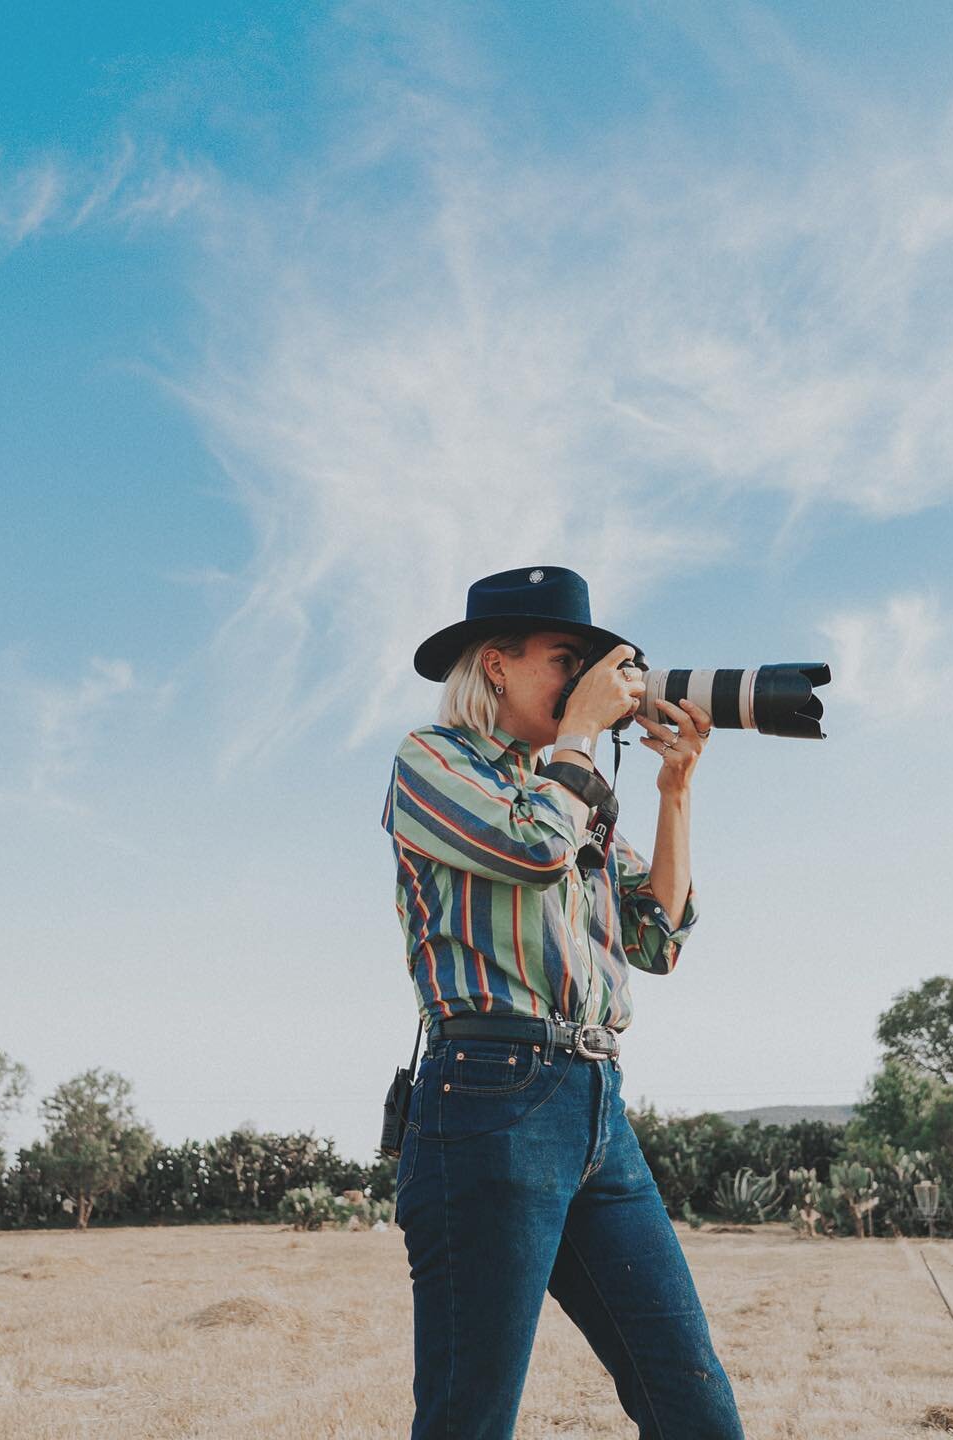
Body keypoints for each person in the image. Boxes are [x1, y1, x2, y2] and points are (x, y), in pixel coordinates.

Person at [382, 565, 747, 1440]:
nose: (586, 680)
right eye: (565, 659)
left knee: (692, 1400)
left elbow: (657, 937)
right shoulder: (431, 761)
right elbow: (535, 846)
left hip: (596, 1104)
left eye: (593, 664)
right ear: (496, 666)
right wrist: (580, 737)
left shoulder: (574, 789)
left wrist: (675, 791)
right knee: (470, 1419)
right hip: (488, 1096)